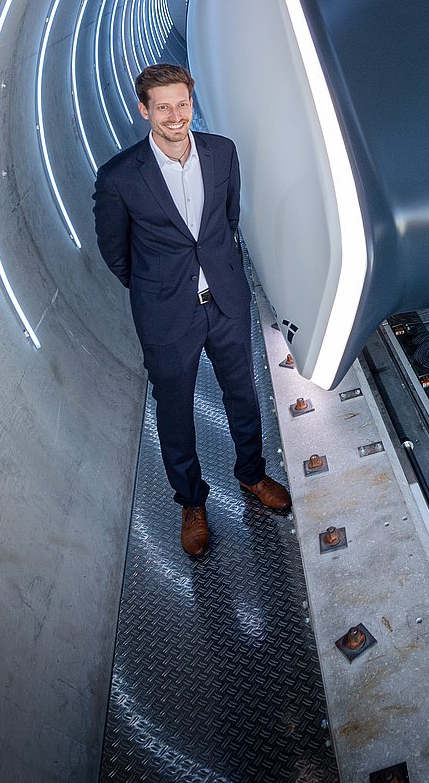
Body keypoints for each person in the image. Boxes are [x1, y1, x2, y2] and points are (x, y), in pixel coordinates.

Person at [93, 63, 292, 556]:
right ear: (144, 111)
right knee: (176, 413)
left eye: (182, 104)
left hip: (224, 300)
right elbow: (115, 252)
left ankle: (252, 474)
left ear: (191, 102)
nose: (175, 115)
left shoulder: (222, 153)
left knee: (243, 395)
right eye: (163, 107)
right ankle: (192, 502)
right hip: (166, 314)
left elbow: (227, 220)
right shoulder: (119, 177)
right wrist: (156, 290)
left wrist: (221, 274)